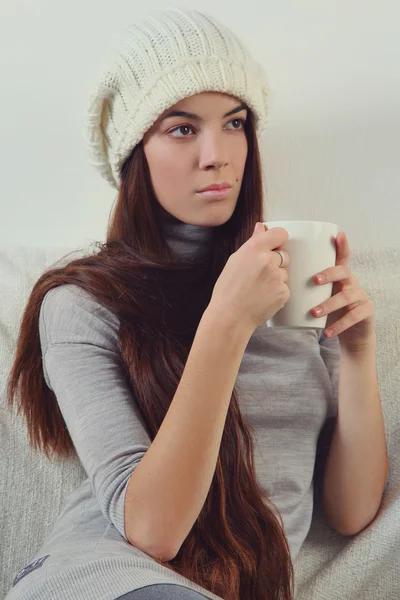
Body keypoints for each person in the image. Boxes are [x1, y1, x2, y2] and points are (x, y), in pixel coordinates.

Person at [5, 7, 341, 600]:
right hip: (103, 577)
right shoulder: (81, 302)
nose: (217, 154)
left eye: (234, 124)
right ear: (135, 154)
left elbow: (353, 511)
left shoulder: (295, 288)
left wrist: (356, 350)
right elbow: (152, 532)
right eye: (182, 128)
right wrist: (227, 323)